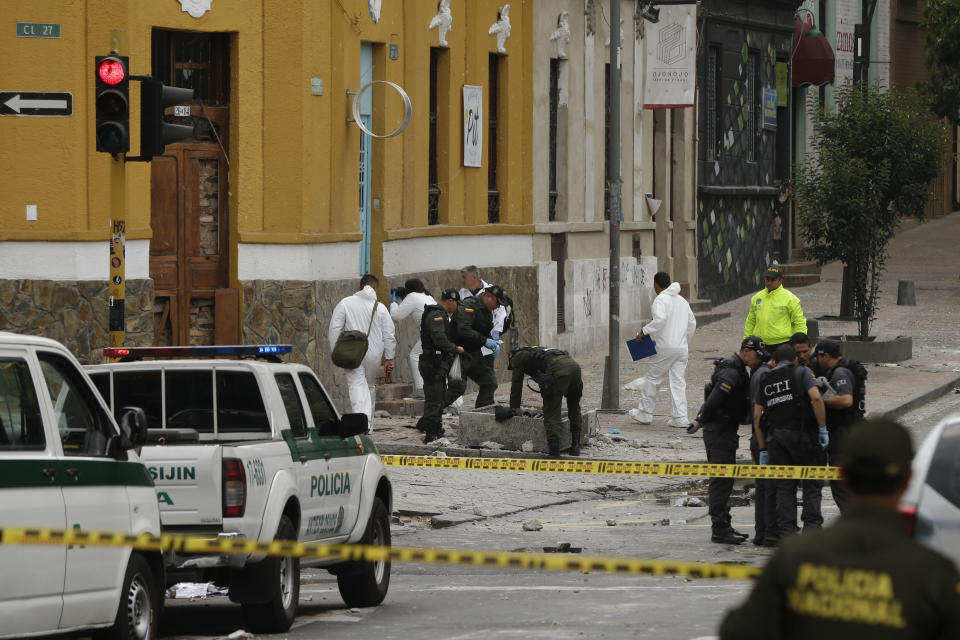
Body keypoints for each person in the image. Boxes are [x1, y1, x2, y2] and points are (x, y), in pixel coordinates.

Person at [720, 418, 960, 639]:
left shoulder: (795, 557)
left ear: (843, 474)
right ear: (908, 478)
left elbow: (741, 631)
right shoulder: (934, 575)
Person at [691, 336, 766, 545]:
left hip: (725, 430)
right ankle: (720, 530)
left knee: (726, 480)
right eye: (756, 355)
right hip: (719, 431)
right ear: (746, 351)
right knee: (721, 481)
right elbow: (715, 397)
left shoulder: (738, 368)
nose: (758, 360)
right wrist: (699, 420)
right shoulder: (732, 370)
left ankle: (725, 524)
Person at [754, 345, 828, 544]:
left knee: (784, 486)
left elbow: (756, 417)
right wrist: (822, 428)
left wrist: (762, 449)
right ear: (795, 359)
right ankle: (812, 531)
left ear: (775, 362)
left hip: (776, 441)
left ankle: (787, 533)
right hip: (803, 437)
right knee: (811, 484)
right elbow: (816, 398)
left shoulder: (765, 379)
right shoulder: (802, 371)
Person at [627, 271, 697, 428]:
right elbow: (692, 324)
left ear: (656, 285)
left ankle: (645, 414)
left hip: (664, 346)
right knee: (678, 382)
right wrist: (685, 341)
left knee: (652, 378)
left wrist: (643, 331)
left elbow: (659, 320)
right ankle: (680, 417)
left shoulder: (660, 300)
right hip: (681, 348)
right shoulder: (682, 301)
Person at [328, 274, 396, 428]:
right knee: (370, 386)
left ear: (359, 287)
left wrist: (336, 351)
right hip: (374, 354)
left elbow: (334, 328)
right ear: (375, 288)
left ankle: (361, 425)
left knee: (357, 386)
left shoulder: (345, 303)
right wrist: (390, 357)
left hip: (352, 353)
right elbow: (389, 334)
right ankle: (368, 424)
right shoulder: (380, 307)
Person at [504, 347, 584, 458]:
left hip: (558, 370)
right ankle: (576, 447)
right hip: (574, 367)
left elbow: (516, 384)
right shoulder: (537, 351)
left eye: (511, 366)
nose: (513, 367)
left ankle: (554, 452)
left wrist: (513, 407)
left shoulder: (518, 357)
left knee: (551, 411)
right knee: (574, 407)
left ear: (511, 358)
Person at [813, 339, 863, 513]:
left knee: (841, 485)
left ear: (825, 356)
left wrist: (821, 402)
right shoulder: (841, 369)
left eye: (817, 357)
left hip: (843, 433)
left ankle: (854, 523)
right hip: (849, 431)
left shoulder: (840, 372)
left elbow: (846, 400)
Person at [416, 289, 464, 443]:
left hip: (436, 363)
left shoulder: (439, 313)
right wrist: (454, 348)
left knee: (438, 397)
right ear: (450, 301)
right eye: (456, 304)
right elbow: (439, 338)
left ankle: (435, 428)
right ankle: (430, 431)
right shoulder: (437, 314)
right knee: (435, 399)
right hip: (432, 363)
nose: (456, 308)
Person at [449, 285, 503, 409]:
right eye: (498, 302)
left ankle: (482, 413)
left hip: (474, 353)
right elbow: (464, 329)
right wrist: (485, 341)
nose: (499, 306)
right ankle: (433, 414)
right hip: (459, 353)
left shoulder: (487, 311)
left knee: (490, 382)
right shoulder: (469, 305)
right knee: (456, 389)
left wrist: (493, 342)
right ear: (488, 297)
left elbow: (483, 331)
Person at [389, 278, 436, 399]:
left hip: (432, 333)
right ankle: (429, 389)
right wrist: (404, 299)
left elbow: (397, 316)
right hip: (440, 330)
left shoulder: (413, 297)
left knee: (414, 356)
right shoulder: (427, 296)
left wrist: (394, 302)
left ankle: (421, 389)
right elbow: (413, 308)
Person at [744, 265, 807, 351]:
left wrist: (799, 344)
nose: (769, 282)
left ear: (780, 280)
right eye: (767, 279)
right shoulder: (756, 298)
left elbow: (799, 322)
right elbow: (751, 321)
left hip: (783, 344)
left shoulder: (790, 299)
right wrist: (747, 341)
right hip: (760, 345)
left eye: (773, 280)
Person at [749, 347, 775, 546]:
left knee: (763, 486)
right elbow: (759, 415)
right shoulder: (765, 375)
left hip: (757, 438)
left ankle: (762, 532)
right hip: (762, 438)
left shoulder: (757, 373)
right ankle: (766, 532)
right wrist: (764, 445)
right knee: (767, 487)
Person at [459, 265, 508, 372]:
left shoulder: (491, 292)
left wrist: (495, 338)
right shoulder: (462, 293)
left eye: (464, 277)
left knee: (488, 376)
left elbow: (500, 317)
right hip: (469, 343)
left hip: (487, 343)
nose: (462, 281)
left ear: (474, 278)